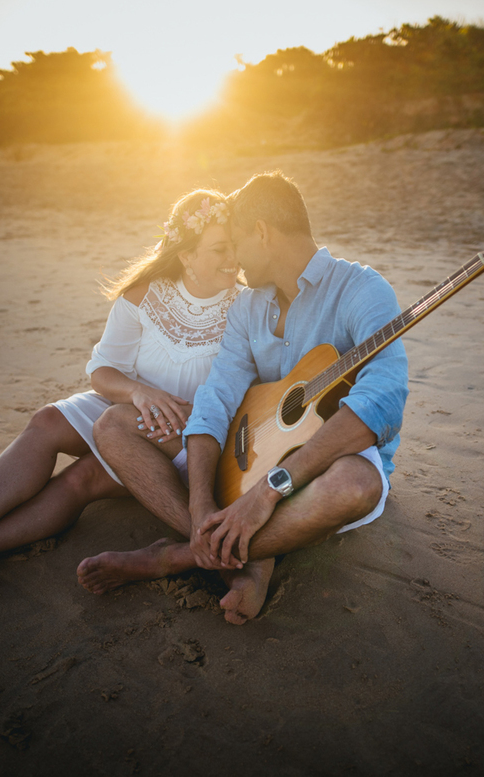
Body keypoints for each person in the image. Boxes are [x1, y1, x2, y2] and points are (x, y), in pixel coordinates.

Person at [0, 189, 242, 587]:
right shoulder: (143, 295)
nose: (233, 259)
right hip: (130, 404)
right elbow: (103, 372)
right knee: (48, 420)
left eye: (234, 247)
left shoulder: (245, 307)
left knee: (81, 478)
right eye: (220, 249)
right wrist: (138, 392)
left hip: (186, 431)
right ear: (186, 255)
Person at [78, 172, 408, 625]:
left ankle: (178, 556)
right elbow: (216, 397)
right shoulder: (250, 306)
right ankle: (215, 539)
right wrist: (199, 504)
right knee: (113, 425)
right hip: (250, 452)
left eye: (236, 242)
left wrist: (270, 492)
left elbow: (382, 401)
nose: (234, 259)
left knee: (356, 487)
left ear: (262, 232)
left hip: (325, 465)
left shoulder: (361, 290)